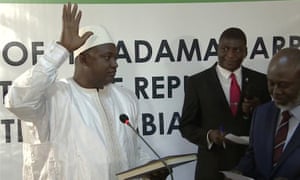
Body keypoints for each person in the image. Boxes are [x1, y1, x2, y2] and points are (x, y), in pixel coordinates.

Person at [4, 3, 154, 180]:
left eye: (115, 58)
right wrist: (62, 50)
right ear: (83, 59)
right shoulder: (54, 97)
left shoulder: (125, 98)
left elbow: (132, 149)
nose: (115, 64)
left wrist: (149, 170)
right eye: (107, 57)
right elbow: (18, 101)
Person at [179, 27, 271, 180]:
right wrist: (208, 136)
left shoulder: (261, 81)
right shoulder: (197, 82)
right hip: (212, 168)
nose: (230, 55)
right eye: (225, 49)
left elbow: (272, 126)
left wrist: (259, 109)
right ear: (217, 49)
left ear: (245, 51)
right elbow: (186, 126)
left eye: (237, 50)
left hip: (251, 168)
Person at [235, 47, 300, 179]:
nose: (275, 91)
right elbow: (252, 155)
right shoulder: (261, 113)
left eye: (283, 85)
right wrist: (238, 173)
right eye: (271, 83)